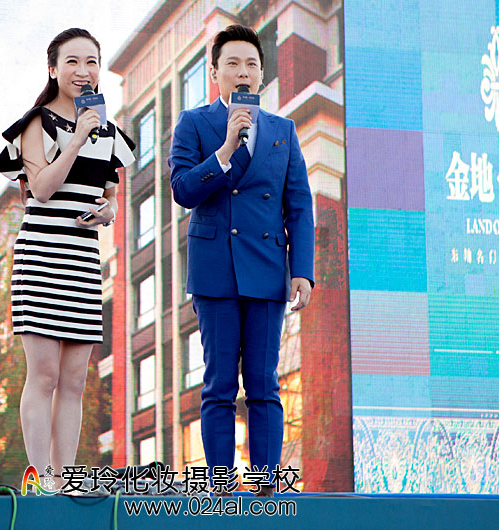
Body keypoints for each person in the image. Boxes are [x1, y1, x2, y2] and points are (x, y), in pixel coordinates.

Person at [168, 24, 314, 496]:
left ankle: (267, 489)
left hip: (267, 269)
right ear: (215, 74)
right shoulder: (194, 123)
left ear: (262, 75)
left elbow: (298, 204)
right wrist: (227, 149)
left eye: (251, 64)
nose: (243, 71)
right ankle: (218, 489)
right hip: (215, 269)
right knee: (219, 385)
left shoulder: (283, 130)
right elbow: (182, 190)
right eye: (232, 63)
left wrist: (302, 271)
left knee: (264, 384)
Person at [0, 28, 135, 482]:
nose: (83, 71)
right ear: (53, 69)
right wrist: (76, 137)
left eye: (91, 61)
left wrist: (108, 211)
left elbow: (111, 196)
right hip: (41, 259)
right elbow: (41, 187)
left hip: (82, 263)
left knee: (75, 380)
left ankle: (64, 476)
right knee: (45, 375)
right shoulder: (36, 123)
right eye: (72, 61)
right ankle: (39, 479)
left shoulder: (108, 132)